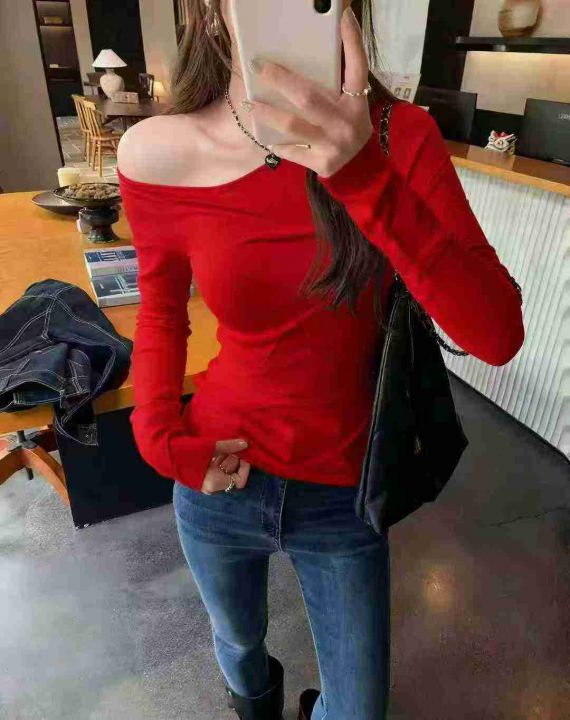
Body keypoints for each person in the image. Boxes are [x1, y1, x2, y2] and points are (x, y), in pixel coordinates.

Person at [117, 2, 525, 718]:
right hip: (219, 470)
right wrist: (159, 438)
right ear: (213, 12)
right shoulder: (158, 151)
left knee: (359, 706)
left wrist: (363, 173)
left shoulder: (400, 136)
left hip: (343, 485)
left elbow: (497, 335)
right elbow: (160, 312)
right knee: (237, 643)